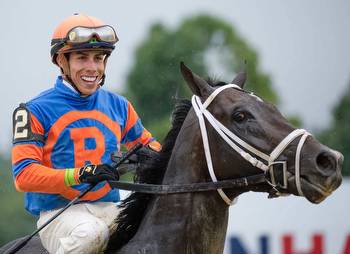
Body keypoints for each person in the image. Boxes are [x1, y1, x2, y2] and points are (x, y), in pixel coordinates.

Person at [11, 13, 161, 254]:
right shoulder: (33, 110)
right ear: (61, 60)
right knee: (91, 234)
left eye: (99, 58)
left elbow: (152, 148)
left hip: (109, 208)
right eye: (82, 58)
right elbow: (24, 176)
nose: (93, 68)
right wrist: (81, 174)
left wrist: (144, 157)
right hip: (61, 215)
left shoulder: (120, 106)